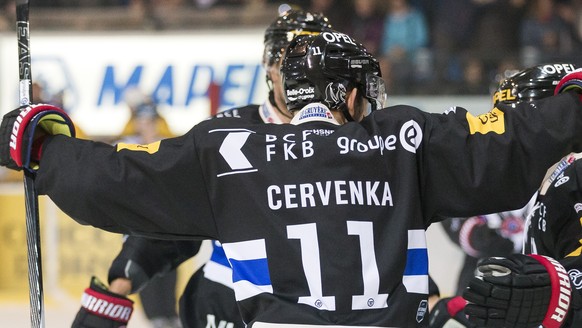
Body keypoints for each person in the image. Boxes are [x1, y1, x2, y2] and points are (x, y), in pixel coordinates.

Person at [2, 29, 582, 327]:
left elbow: (114, 180)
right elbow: (514, 142)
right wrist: (569, 97)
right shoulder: (405, 140)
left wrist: (40, 146)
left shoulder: (229, 150)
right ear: (351, 93)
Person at [70, 9, 334, 328]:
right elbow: (171, 217)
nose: (301, 76)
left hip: (334, 307)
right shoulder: (226, 135)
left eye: (317, 65)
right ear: (270, 67)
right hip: (230, 305)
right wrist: (117, 289)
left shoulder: (360, 137)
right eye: (288, 64)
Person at [429, 62, 579, 328]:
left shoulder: (571, 178)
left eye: (516, 116)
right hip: (502, 294)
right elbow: (448, 199)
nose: (507, 129)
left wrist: (552, 293)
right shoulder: (538, 176)